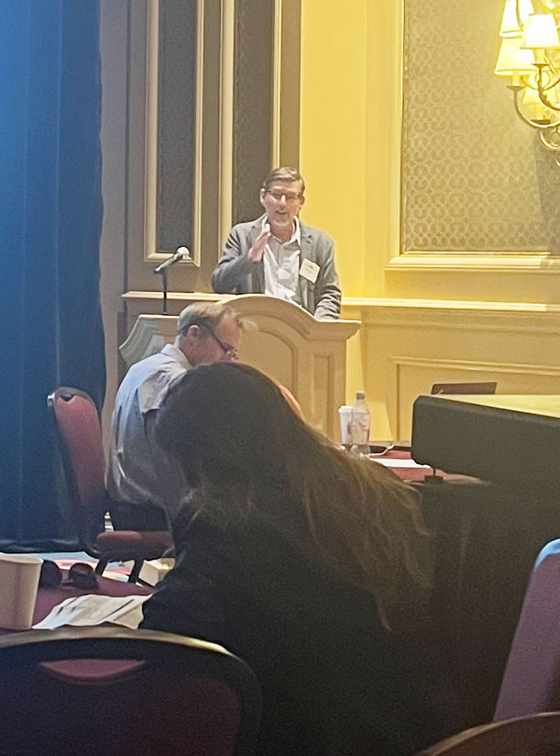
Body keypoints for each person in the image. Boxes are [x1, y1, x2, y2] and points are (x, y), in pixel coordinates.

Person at [140, 363, 441, 756]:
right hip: (409, 732)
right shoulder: (376, 495)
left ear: (201, 457)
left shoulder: (228, 523)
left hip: (301, 738)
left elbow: (166, 634)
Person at [107, 301, 241, 531]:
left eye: (234, 353)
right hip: (146, 513)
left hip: (133, 505)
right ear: (194, 334)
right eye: (225, 348)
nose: (229, 359)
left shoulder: (144, 367)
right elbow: (169, 464)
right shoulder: (171, 380)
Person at [211, 167, 342, 319]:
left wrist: (317, 329)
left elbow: (329, 293)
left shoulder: (320, 243)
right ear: (263, 197)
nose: (282, 204)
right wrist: (249, 259)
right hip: (255, 329)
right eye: (276, 195)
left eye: (291, 197)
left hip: (302, 332)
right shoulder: (242, 235)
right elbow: (219, 284)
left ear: (301, 202)